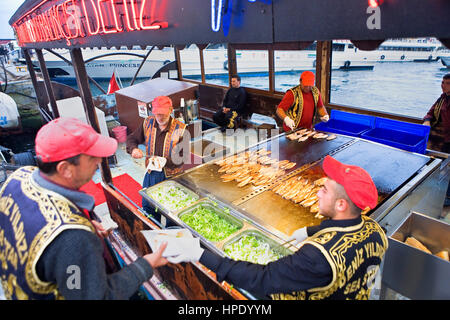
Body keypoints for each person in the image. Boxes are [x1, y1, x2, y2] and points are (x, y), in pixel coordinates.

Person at [169, 155, 388, 300]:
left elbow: (262, 279)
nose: (318, 192)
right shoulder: (376, 231)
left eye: (325, 190)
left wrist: (200, 254)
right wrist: (309, 231)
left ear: (341, 204)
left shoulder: (317, 258)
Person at [0, 117, 169, 300]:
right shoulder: (72, 237)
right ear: (65, 169)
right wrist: (145, 264)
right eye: (91, 157)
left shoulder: (18, 177)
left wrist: (85, 224)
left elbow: (32, 221)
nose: (99, 160)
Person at [126, 96, 188, 223]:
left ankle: (172, 234)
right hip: (152, 174)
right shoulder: (147, 122)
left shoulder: (181, 129)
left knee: (172, 212)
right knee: (148, 208)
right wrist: (133, 149)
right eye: (157, 114)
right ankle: (154, 230)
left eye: (163, 114)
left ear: (170, 110)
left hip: (172, 176)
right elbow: (132, 138)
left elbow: (183, 156)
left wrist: (166, 161)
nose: (159, 118)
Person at [423, 73, 450, 153]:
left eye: (448, 83)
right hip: (440, 134)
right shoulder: (442, 99)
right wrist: (427, 120)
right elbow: (430, 113)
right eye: (442, 82)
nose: (443, 86)